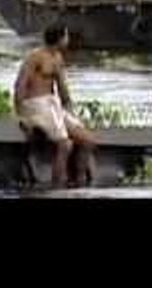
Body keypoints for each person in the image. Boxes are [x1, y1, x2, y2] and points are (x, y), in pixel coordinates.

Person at [14, 22, 96, 188]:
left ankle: (79, 182)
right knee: (65, 144)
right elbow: (20, 84)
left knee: (88, 140)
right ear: (59, 38)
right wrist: (21, 115)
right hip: (35, 104)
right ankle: (57, 186)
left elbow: (63, 89)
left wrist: (71, 112)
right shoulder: (35, 56)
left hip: (52, 104)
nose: (68, 40)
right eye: (66, 36)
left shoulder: (58, 58)